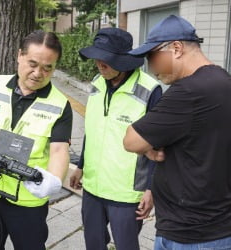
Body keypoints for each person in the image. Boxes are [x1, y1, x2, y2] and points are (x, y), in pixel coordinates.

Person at [124, 15, 231, 249]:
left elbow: (132, 140)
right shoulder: (223, 81)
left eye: (151, 56)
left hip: (190, 234)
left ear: (176, 48)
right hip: (217, 224)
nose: (150, 68)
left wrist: (149, 148)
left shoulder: (189, 91)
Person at [0, 30, 73, 250]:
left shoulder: (60, 105)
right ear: (19, 56)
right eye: (32, 63)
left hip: (28, 202)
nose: (37, 73)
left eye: (47, 68)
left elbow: (59, 150)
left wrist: (53, 179)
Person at [70, 27, 162, 250]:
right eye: (97, 59)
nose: (100, 65)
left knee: (126, 246)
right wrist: (80, 166)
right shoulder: (97, 83)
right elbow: (93, 130)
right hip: (92, 187)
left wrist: (151, 188)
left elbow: (158, 145)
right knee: (93, 244)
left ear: (123, 60)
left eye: (106, 60)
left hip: (127, 192)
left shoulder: (150, 90)